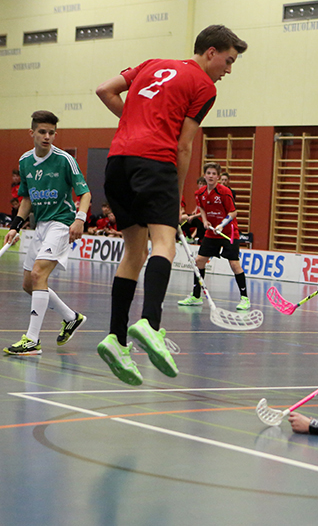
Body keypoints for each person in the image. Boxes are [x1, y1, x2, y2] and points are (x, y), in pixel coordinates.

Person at [95, 24, 248, 385]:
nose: (228, 70)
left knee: (134, 254)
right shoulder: (204, 87)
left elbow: (105, 90)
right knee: (164, 244)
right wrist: (178, 197)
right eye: (228, 61)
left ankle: (116, 339)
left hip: (117, 164)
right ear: (210, 52)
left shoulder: (151, 63)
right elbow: (183, 145)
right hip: (154, 163)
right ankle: (150, 323)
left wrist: (136, 121)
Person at [3, 110, 91, 355]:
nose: (47, 137)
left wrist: (80, 219)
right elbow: (27, 199)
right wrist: (15, 226)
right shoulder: (25, 161)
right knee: (28, 284)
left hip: (61, 223)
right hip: (40, 224)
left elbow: (85, 193)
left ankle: (32, 340)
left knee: (39, 273)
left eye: (51, 133)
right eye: (42, 132)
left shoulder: (64, 160)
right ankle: (71, 317)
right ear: (31, 132)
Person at [178, 162, 249, 310]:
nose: (211, 176)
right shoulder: (200, 193)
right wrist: (204, 221)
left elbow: (233, 212)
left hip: (228, 232)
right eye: (208, 173)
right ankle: (196, 296)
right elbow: (202, 208)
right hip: (211, 232)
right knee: (199, 261)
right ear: (204, 175)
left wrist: (222, 224)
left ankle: (244, 298)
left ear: (218, 177)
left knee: (234, 264)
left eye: (214, 174)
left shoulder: (224, 192)